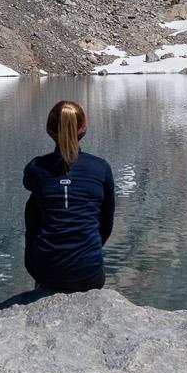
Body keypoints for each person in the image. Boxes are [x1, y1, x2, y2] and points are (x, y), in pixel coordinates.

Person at [22, 100, 115, 293]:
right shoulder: (101, 168)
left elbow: (30, 185)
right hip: (89, 273)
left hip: (44, 271)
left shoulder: (36, 168)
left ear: (49, 130)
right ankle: (80, 259)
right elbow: (106, 224)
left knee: (34, 203)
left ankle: (48, 272)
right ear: (83, 129)